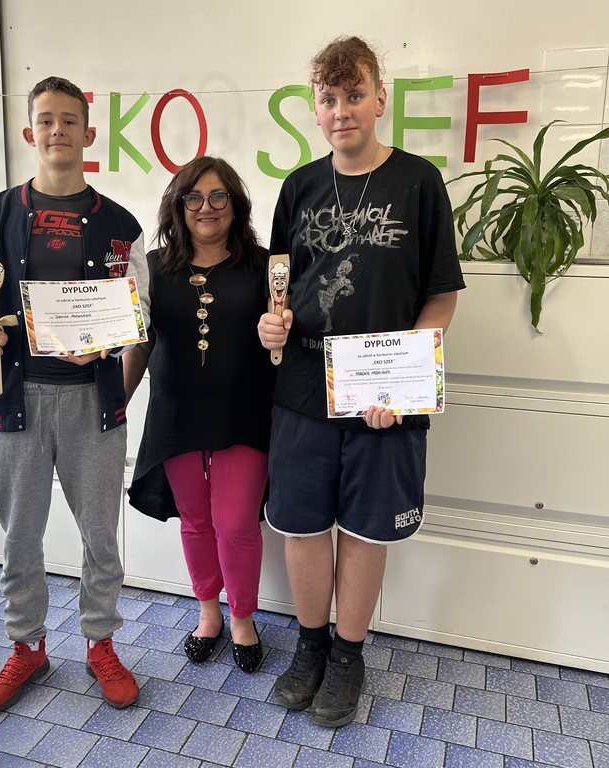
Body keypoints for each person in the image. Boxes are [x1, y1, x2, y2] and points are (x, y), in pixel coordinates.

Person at [257, 36, 465, 726]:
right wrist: (271, 325)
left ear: (380, 99)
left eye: (354, 95)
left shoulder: (419, 182)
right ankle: (310, 647)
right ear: (315, 110)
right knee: (301, 525)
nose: (341, 110)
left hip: (384, 387)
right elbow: (279, 290)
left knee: (367, 529)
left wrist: (400, 385)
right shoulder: (299, 187)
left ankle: (348, 655)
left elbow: (441, 296)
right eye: (328, 98)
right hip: (302, 385)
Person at [0, 76, 150, 713]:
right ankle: (27, 647)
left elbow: (140, 310)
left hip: (93, 404)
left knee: (100, 536)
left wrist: (105, 342)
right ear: (29, 132)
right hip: (17, 400)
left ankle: (100, 642)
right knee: (19, 537)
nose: (57, 130)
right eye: (46, 120)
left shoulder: (120, 225)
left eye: (70, 120)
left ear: (89, 134)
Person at [124, 156, 274, 673]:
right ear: (178, 206)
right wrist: (117, 401)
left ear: (236, 204)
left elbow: (285, 338)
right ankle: (208, 613)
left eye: (218, 196)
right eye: (193, 197)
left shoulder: (265, 266)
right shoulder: (153, 267)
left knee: (236, 524)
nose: (205, 207)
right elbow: (138, 342)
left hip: (244, 416)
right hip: (175, 417)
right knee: (196, 521)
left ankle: (243, 618)